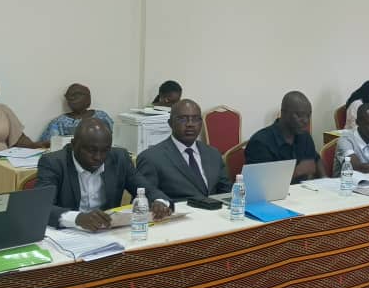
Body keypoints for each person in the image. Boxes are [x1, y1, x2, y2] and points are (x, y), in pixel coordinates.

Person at [35, 118, 171, 230]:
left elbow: (147, 188)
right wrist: (78, 218)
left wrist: (159, 202)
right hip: (68, 233)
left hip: (107, 232)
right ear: (74, 144)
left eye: (105, 150)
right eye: (91, 150)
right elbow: (41, 208)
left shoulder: (119, 158)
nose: (98, 157)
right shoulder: (53, 163)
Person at [137, 99, 232, 201]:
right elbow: (145, 198)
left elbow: (226, 193)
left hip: (214, 210)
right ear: (170, 123)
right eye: (182, 119)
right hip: (176, 211)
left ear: (201, 123)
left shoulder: (213, 154)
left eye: (195, 119)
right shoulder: (151, 158)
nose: (190, 124)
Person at [245, 91, 325, 183]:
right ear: (283, 113)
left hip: (303, 190)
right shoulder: (260, 143)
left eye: (308, 115)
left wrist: (324, 179)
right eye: (299, 115)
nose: (306, 120)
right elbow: (258, 184)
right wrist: (297, 171)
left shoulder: (304, 136)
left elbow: (315, 159)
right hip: (276, 192)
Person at [39, 83, 114, 142]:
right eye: (68, 96)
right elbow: (47, 145)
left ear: (88, 98)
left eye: (77, 95)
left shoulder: (102, 117)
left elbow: (115, 138)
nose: (72, 98)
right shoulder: (59, 122)